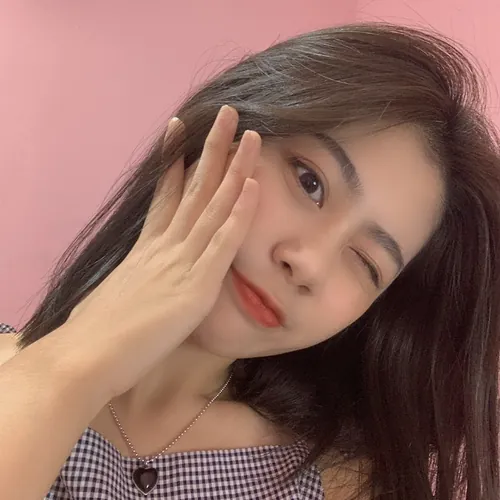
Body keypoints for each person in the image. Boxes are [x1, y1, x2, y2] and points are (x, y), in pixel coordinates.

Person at [0, 22, 499, 499]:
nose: (309, 263)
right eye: (310, 182)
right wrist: (72, 366)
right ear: (212, 135)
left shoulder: (339, 482)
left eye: (367, 263)